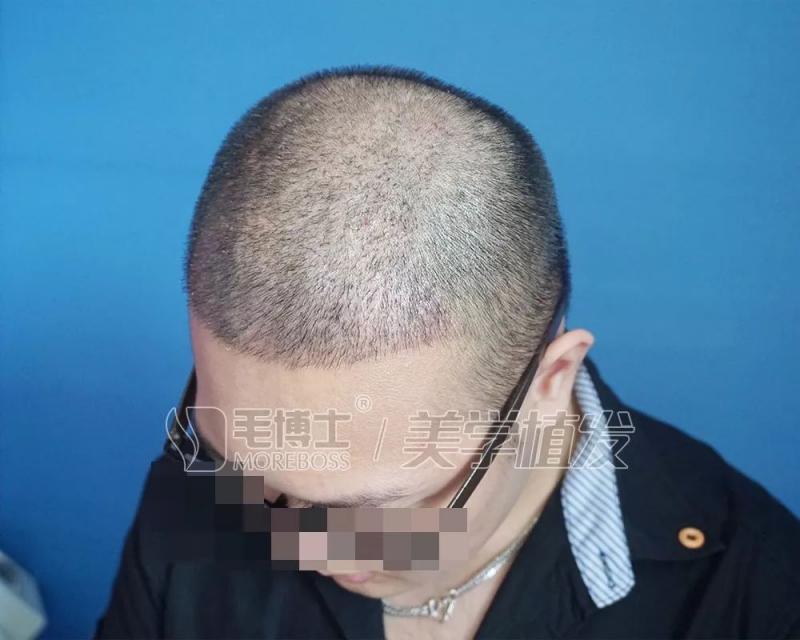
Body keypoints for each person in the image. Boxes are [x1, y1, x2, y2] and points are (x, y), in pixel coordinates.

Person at [95, 66, 800, 639]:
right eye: (252, 475)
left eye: (375, 509)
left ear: (550, 380)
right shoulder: (200, 493)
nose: (305, 546)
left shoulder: (754, 596)